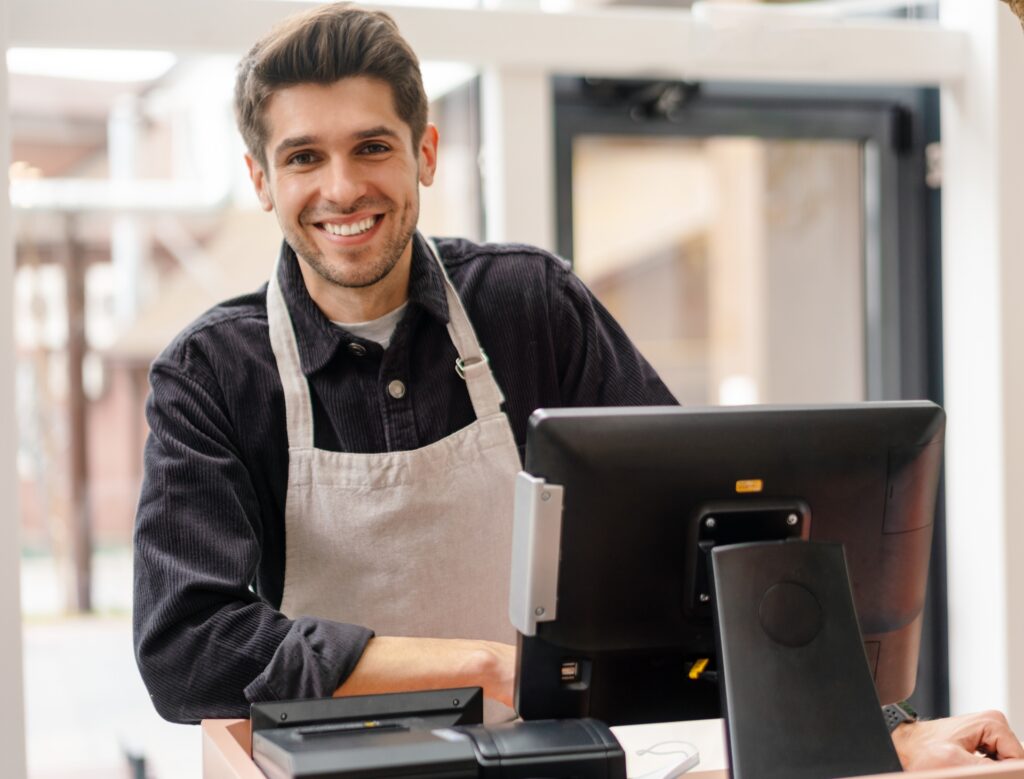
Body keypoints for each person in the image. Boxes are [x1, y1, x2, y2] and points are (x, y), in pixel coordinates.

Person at [132, 1, 1023, 768]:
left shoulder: (530, 307)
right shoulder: (212, 374)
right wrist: (484, 666)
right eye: (302, 158)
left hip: (554, 764)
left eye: (372, 146)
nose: (342, 187)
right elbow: (189, 648)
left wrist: (885, 733)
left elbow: (712, 545)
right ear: (259, 179)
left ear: (425, 152)